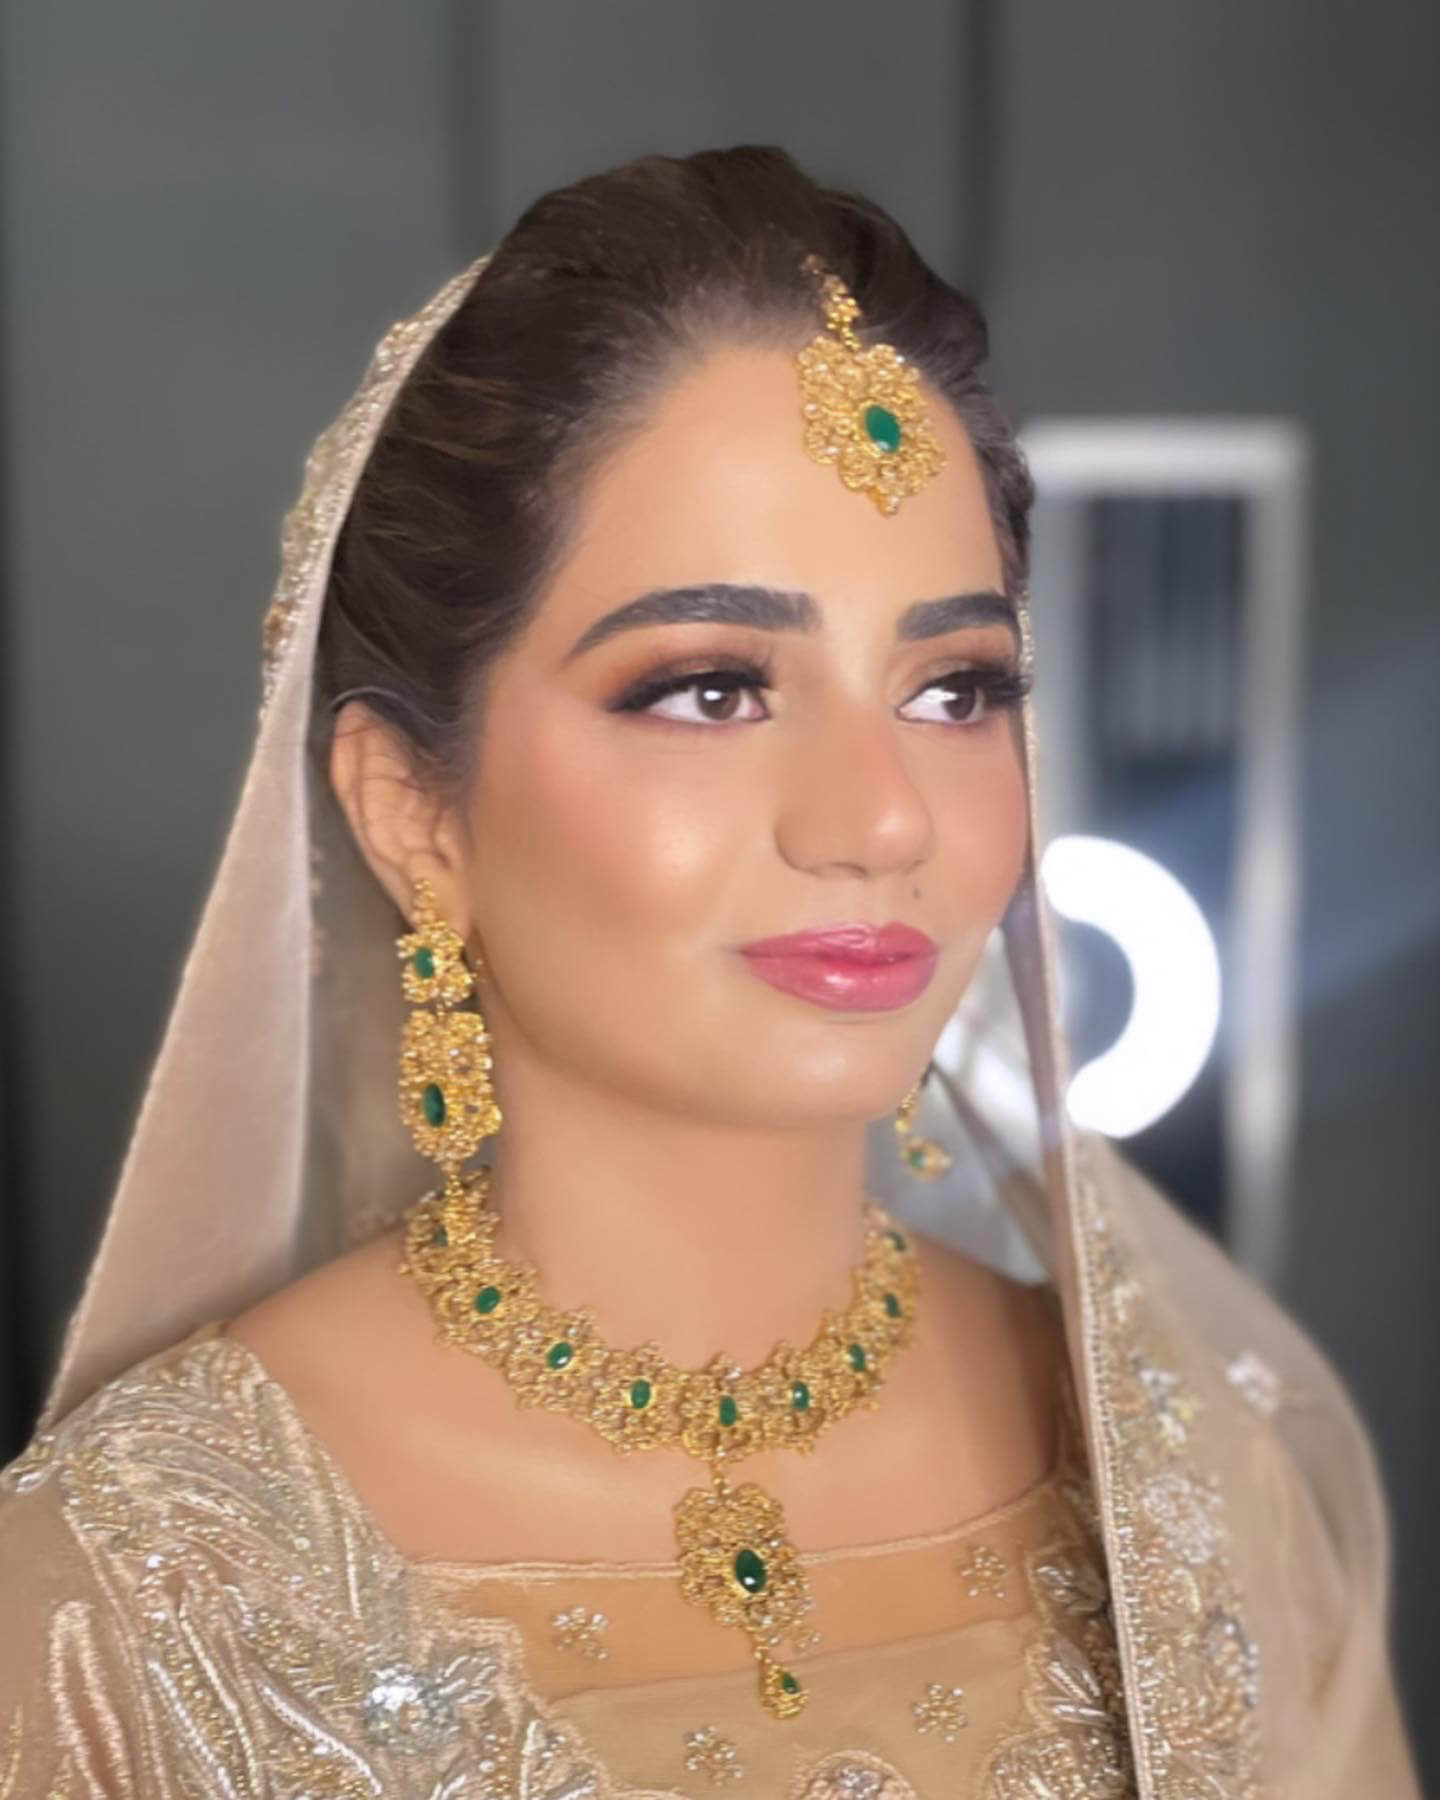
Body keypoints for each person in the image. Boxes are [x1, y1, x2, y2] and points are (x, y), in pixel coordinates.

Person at [0, 146, 1418, 1798]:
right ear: (412, 810)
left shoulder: (1198, 1482)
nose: (881, 818)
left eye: (954, 690)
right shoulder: (118, 1606)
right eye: (712, 689)